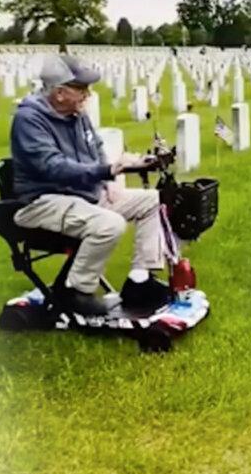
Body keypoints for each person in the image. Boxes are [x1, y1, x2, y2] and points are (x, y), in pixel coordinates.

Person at [9, 55, 171, 316]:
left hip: (82, 195)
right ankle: (76, 292)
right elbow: (52, 166)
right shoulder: (29, 120)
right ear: (60, 93)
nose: (88, 94)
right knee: (110, 224)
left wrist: (112, 176)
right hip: (42, 200)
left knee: (153, 200)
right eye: (81, 89)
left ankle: (139, 280)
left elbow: (95, 149)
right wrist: (106, 171)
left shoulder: (76, 114)